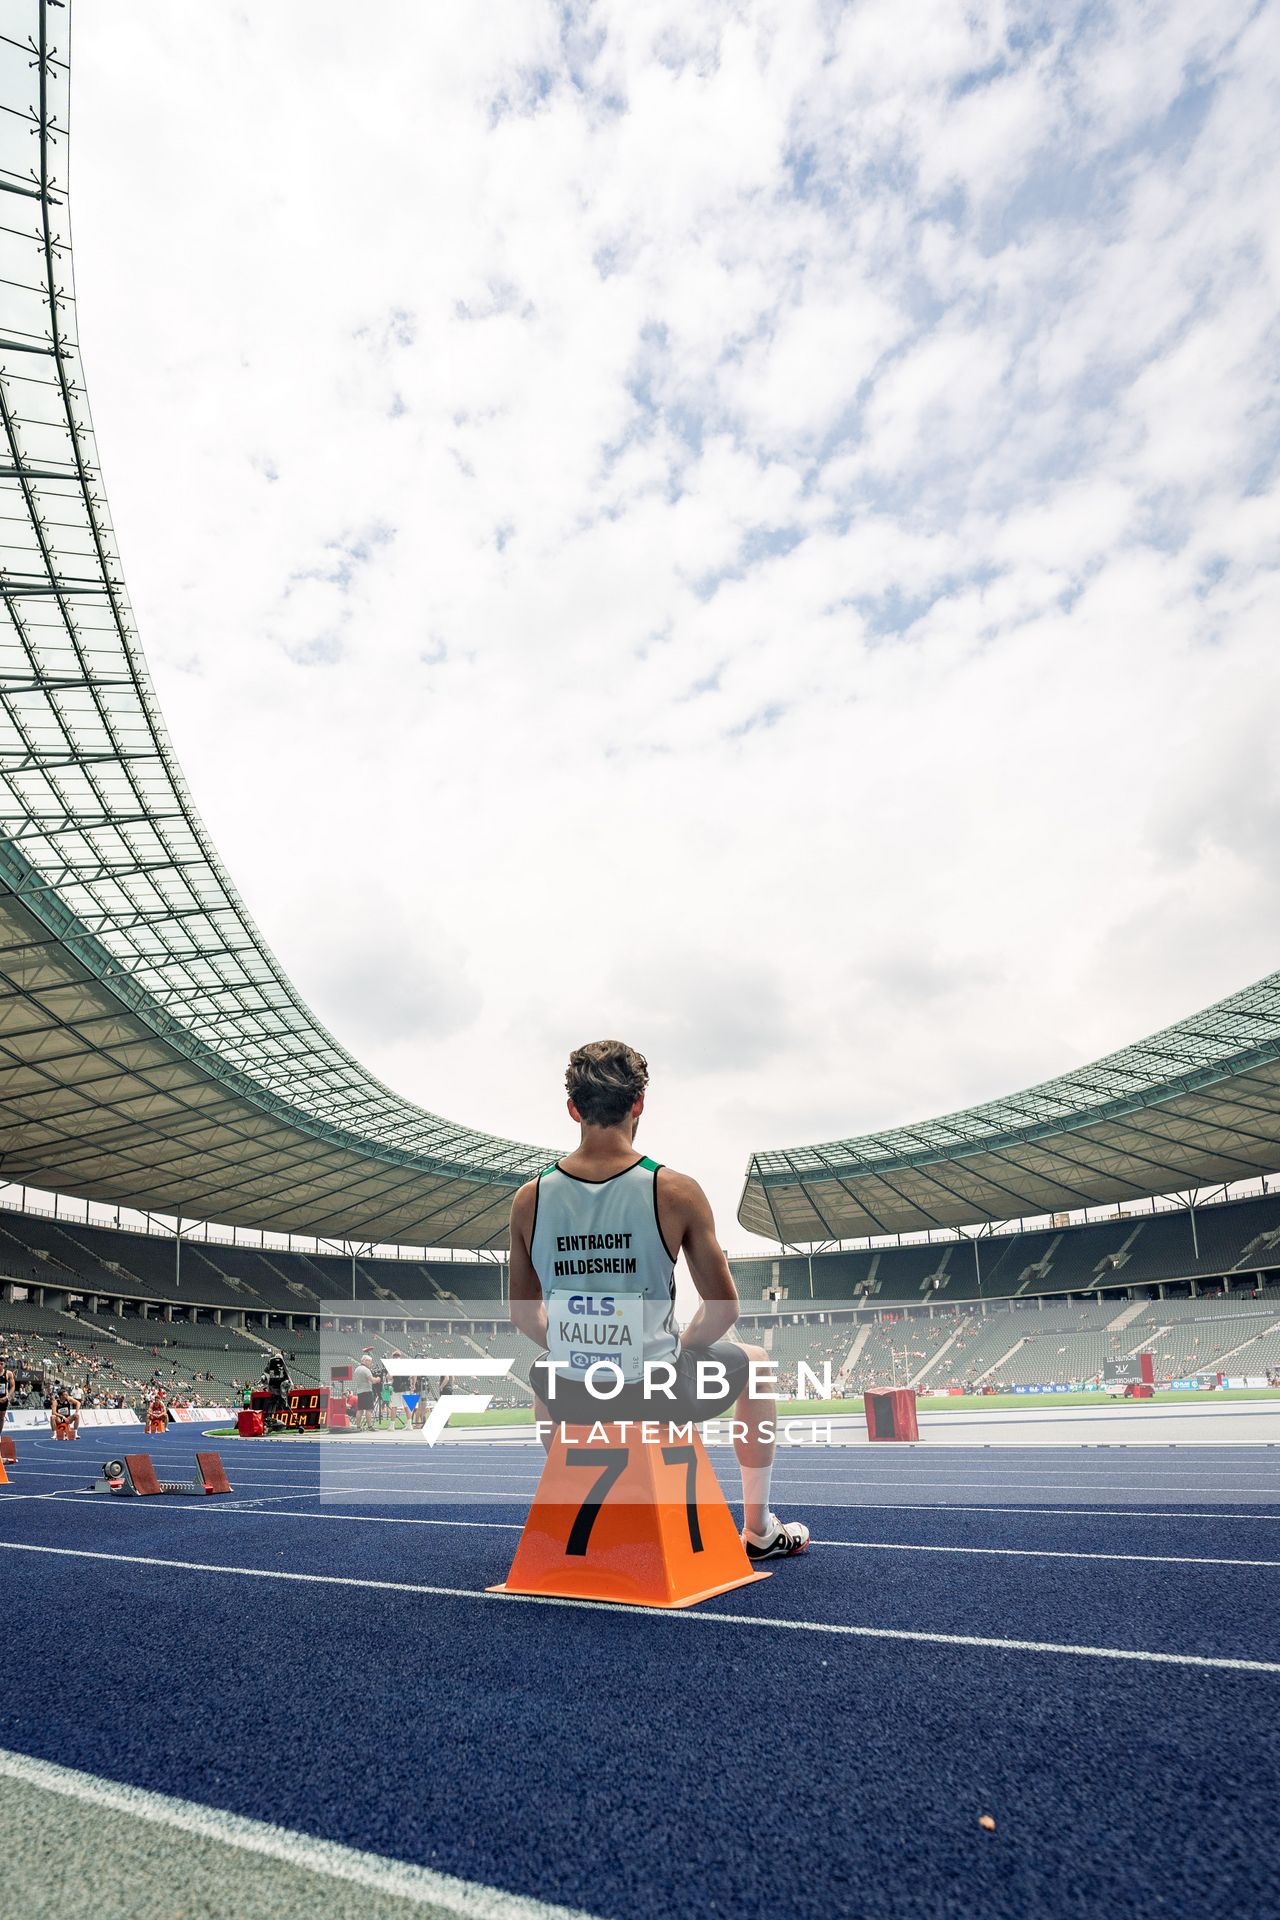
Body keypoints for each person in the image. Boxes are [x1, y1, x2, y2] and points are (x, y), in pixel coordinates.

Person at [509, 1039, 808, 1561]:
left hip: (573, 1393)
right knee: (757, 1364)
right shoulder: (675, 1191)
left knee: (547, 1368)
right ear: (639, 1104)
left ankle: (581, 1512)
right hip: (657, 1388)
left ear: (573, 1109)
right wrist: (680, 1350)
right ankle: (759, 1528)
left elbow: (523, 1313)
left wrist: (578, 1348)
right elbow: (724, 1310)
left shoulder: (529, 1197)